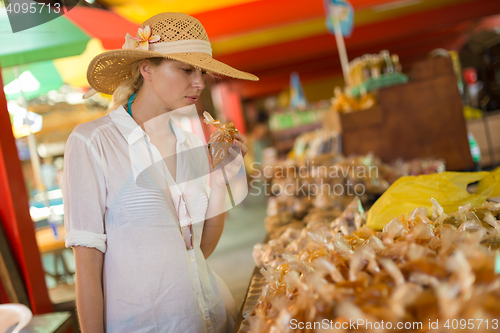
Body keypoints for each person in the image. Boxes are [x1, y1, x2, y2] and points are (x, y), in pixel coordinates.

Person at [62, 12, 258, 333]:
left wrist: (220, 178)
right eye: (186, 69)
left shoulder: (192, 143)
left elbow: (196, 251)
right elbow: (87, 262)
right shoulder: (93, 142)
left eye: (202, 72)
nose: (199, 82)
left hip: (209, 316)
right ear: (146, 68)